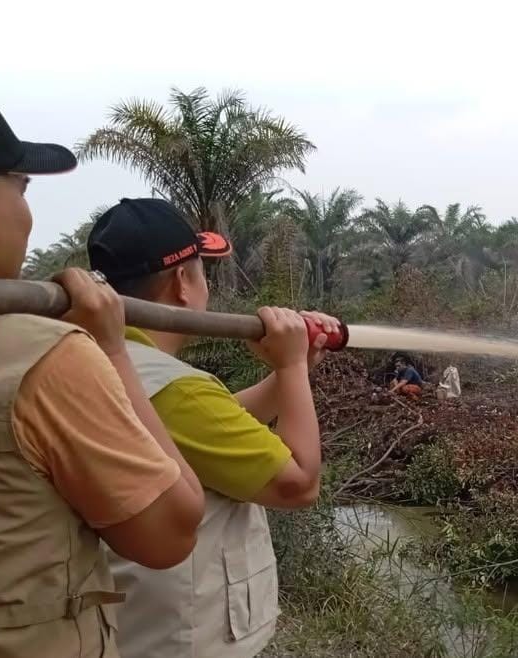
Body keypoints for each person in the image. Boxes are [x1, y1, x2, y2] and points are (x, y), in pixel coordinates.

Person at [0, 81, 205, 657]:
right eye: (20, 187)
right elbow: (172, 531)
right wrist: (111, 347)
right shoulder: (45, 358)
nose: (27, 212)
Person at [87, 197, 341, 658]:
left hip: (138, 626)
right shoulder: (176, 389)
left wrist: (294, 369)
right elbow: (299, 484)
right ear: (183, 282)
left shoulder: (112, 361)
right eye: (204, 270)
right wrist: (290, 368)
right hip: (187, 635)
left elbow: (211, 432)